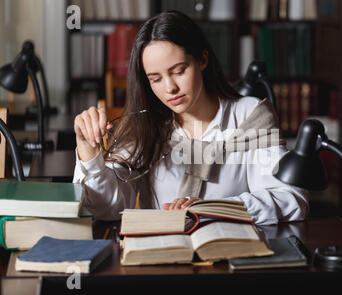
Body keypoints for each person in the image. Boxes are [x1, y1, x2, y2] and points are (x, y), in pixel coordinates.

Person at [73, 10, 309, 225]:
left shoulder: (250, 115)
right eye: (155, 79)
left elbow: (290, 200)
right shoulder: (144, 124)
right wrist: (87, 151)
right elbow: (105, 209)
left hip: (230, 257)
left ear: (203, 60)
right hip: (161, 254)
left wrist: (214, 210)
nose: (170, 88)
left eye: (179, 71)